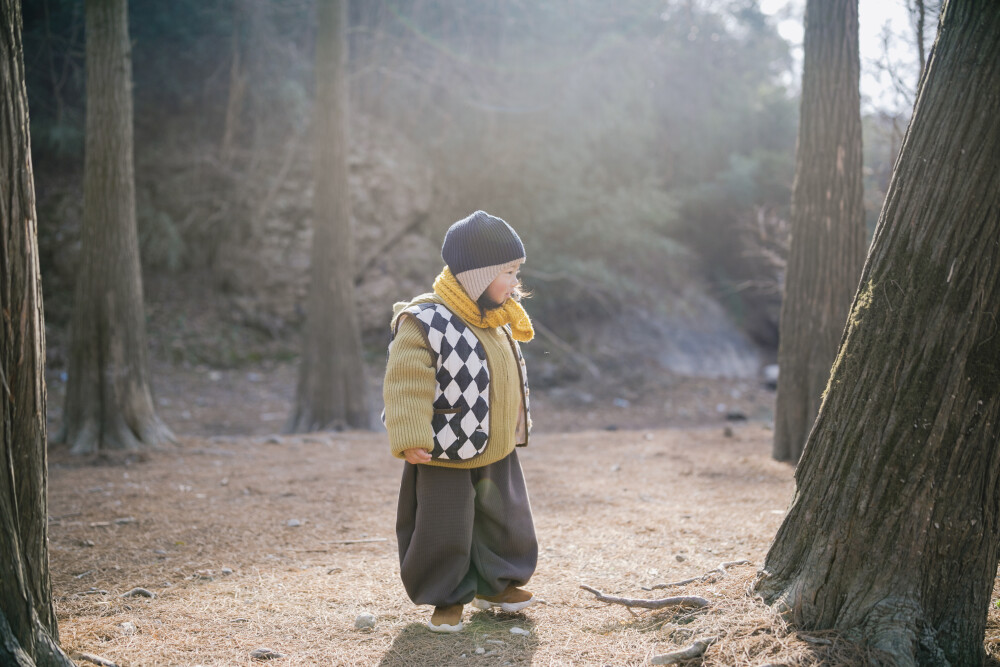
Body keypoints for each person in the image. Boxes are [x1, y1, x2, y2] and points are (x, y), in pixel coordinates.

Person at [382, 210, 537, 633]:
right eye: (507, 272)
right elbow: (406, 384)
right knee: (443, 522)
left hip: (496, 441)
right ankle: (445, 596)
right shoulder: (426, 320)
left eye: (517, 270)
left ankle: (498, 583)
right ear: (475, 276)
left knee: (503, 516)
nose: (515, 282)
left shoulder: (494, 315)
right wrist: (410, 434)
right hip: (444, 444)